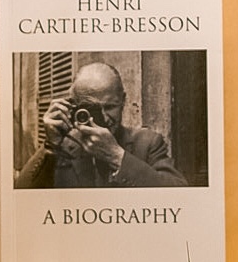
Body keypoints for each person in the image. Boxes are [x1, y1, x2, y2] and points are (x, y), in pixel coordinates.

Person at [15, 61, 186, 189]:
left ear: (123, 101)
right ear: (75, 105)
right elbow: (20, 195)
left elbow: (179, 195)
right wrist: (50, 146)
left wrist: (116, 156)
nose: (104, 118)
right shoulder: (63, 146)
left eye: (110, 107)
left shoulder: (147, 143)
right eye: (93, 109)